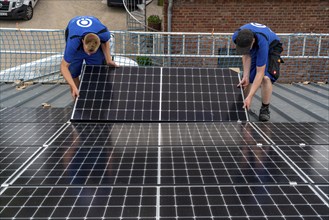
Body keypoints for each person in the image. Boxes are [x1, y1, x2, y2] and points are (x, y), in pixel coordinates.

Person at [232, 22, 284, 121]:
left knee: (265, 77)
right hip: (255, 43)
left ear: (253, 41)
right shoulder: (236, 36)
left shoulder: (262, 42)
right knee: (249, 78)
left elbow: (260, 72)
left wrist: (251, 96)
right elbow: (246, 55)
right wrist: (246, 75)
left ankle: (265, 108)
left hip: (272, 47)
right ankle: (243, 105)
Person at [61, 16, 118, 100]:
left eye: (91, 52)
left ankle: (93, 98)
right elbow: (64, 66)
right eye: (87, 51)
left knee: (95, 72)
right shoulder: (73, 42)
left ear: (99, 43)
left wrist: (108, 60)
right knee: (73, 73)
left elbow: (105, 41)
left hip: (94, 34)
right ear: (83, 41)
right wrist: (73, 87)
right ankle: (77, 99)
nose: (88, 54)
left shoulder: (103, 33)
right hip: (77, 50)